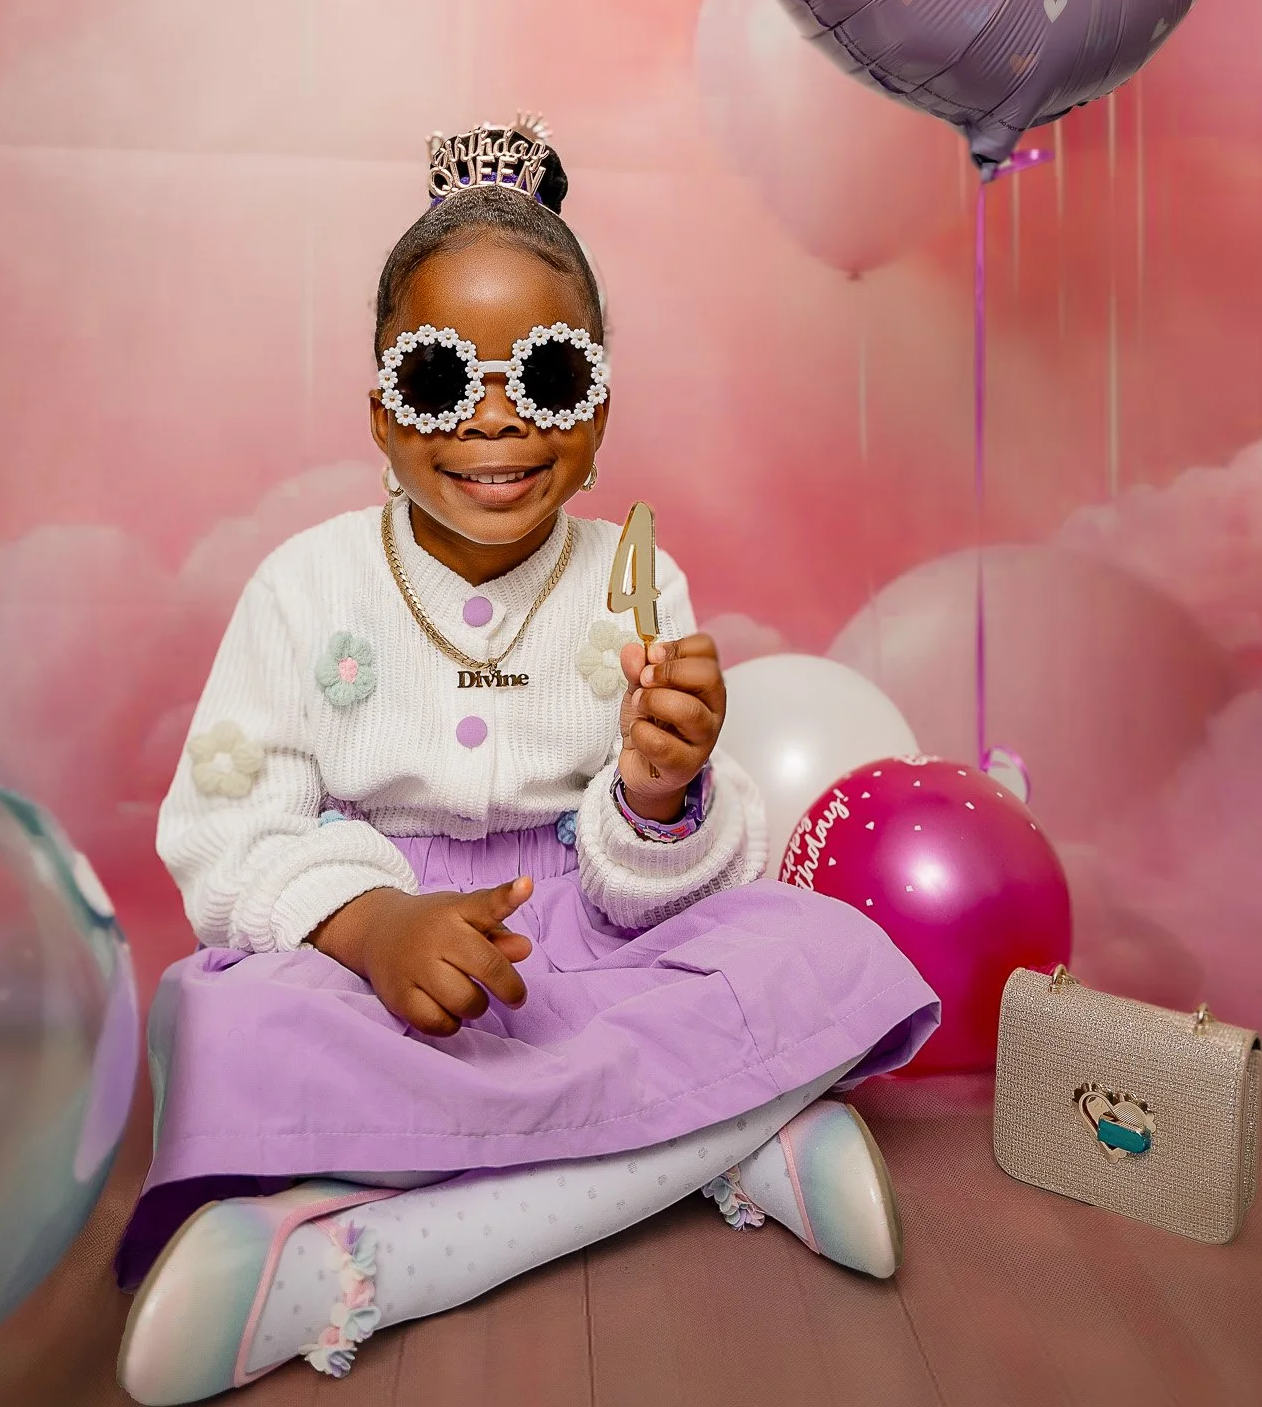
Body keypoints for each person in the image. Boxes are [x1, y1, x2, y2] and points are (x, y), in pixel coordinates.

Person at [114, 117, 938, 1402]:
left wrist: (660, 795)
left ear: (598, 409)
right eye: (442, 381)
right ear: (382, 418)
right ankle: (728, 1136)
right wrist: (373, 920)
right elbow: (227, 830)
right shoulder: (302, 585)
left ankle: (365, 1239)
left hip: (595, 943)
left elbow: (666, 887)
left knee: (816, 948)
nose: (494, 420)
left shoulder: (635, 582)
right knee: (221, 1025)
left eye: (545, 376)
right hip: (375, 950)